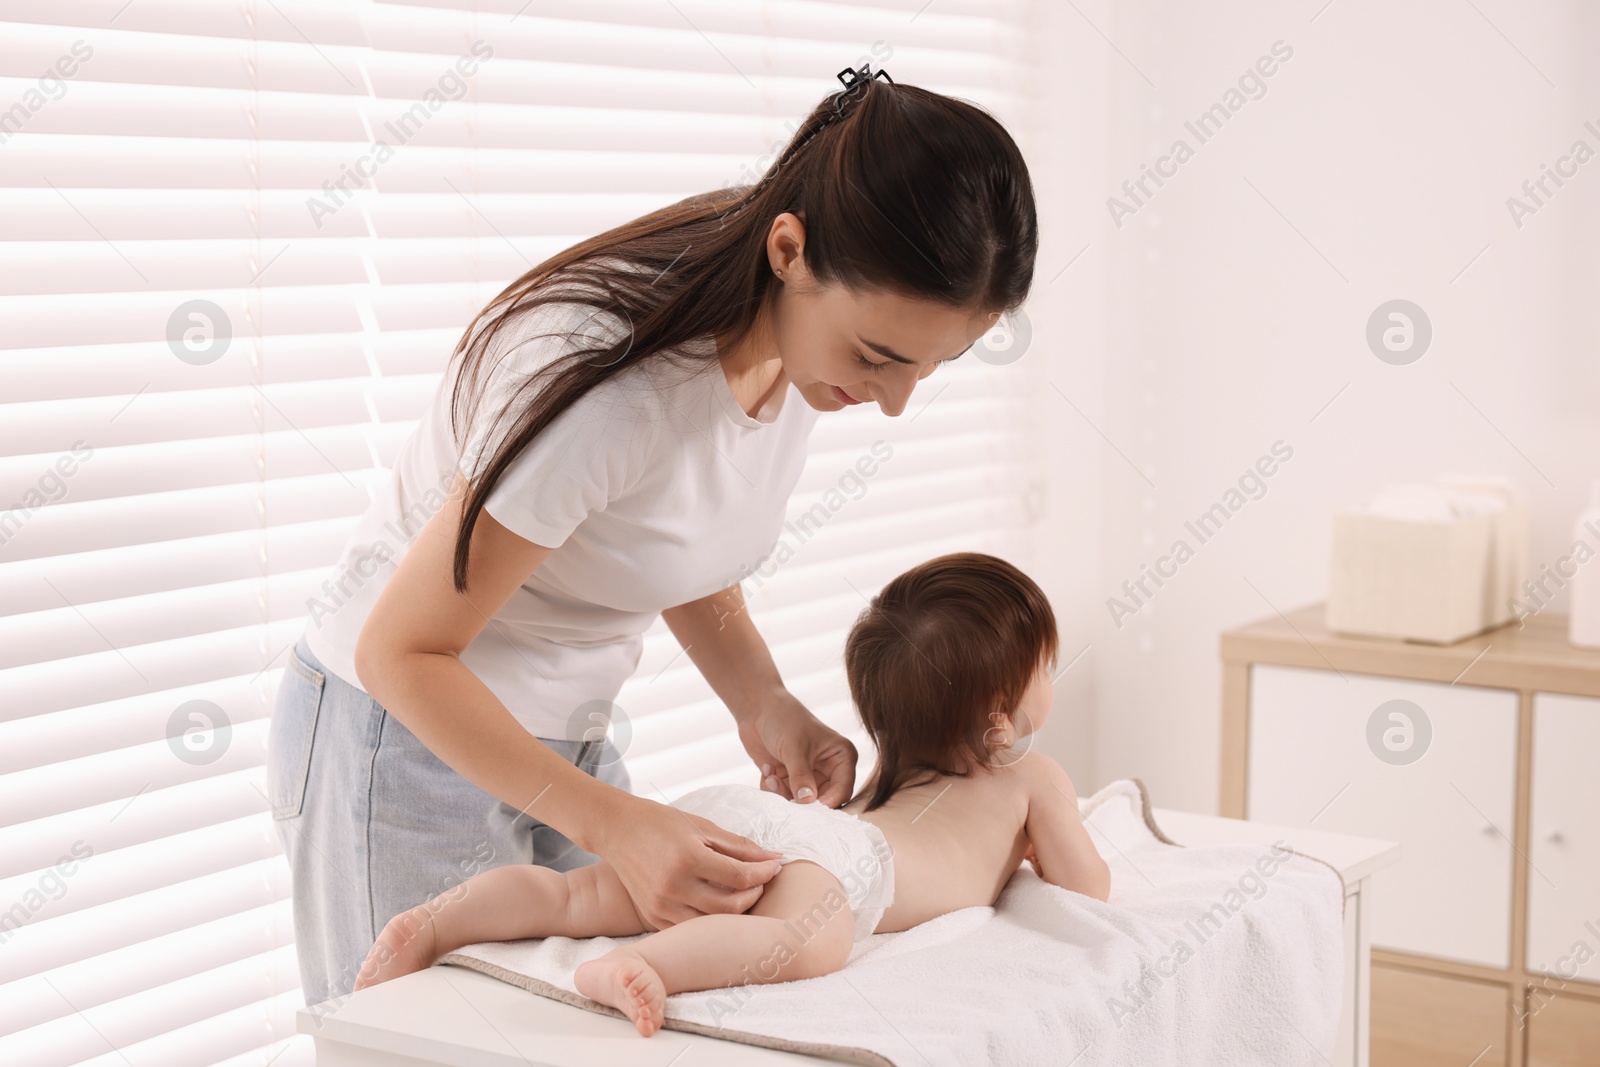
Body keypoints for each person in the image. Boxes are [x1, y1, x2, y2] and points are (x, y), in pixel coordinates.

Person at [266, 63, 1039, 1007]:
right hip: (406, 735)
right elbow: (402, 651)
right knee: (424, 1032)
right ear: (789, 251)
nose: (891, 401)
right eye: (878, 357)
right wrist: (617, 825)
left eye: (928, 366)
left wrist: (762, 701)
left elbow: (662, 530)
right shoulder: (604, 389)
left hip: (564, 744)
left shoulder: (793, 354)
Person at [351, 552, 1110, 1037]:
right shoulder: (1030, 779)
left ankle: (443, 920)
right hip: (836, 867)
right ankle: (653, 965)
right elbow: (1086, 886)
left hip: (757, 825)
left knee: (577, 895)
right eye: (1045, 666)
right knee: (798, 941)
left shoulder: (892, 776)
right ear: (1000, 716)